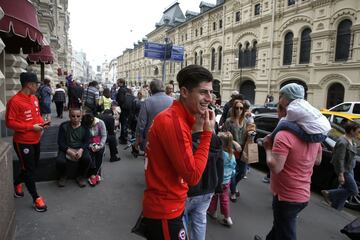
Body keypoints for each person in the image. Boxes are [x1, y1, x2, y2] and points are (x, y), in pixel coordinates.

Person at [141, 65, 216, 240]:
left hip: (169, 206)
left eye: (211, 92)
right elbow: (193, 175)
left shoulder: (177, 118)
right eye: (203, 92)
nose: (209, 98)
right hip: (166, 210)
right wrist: (206, 134)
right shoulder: (173, 122)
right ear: (184, 91)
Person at [254, 84, 323, 240]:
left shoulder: (283, 135)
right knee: (280, 225)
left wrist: (267, 148)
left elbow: (276, 167)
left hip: (286, 196)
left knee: (286, 232)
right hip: (304, 194)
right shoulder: (313, 134)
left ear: (283, 111)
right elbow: (317, 161)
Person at [6, 72, 48, 212]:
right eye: (36, 84)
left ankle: (17, 183)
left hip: (36, 139)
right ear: (29, 85)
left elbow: (37, 116)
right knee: (29, 169)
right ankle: (36, 198)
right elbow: (9, 123)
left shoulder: (34, 98)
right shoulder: (14, 101)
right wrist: (30, 127)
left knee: (31, 166)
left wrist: (42, 123)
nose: (38, 86)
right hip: (22, 142)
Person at [183, 117, 224, 240]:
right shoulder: (216, 140)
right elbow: (220, 164)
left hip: (189, 191)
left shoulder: (187, 140)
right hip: (208, 188)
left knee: (180, 221)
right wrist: (218, 187)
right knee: (200, 222)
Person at [321, 121, 360, 210]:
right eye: (357, 131)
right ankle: (328, 193)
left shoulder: (351, 140)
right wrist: (341, 174)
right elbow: (340, 159)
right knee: (353, 190)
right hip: (345, 170)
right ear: (351, 131)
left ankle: (336, 207)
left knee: (345, 188)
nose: (358, 134)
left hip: (350, 168)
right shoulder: (343, 142)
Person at [134, 79, 173, 153]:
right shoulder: (172, 101)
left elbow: (141, 123)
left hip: (151, 139)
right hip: (169, 138)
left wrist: (138, 140)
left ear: (151, 89)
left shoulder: (147, 102)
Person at [207, 131, 237, 227]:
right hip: (226, 182)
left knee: (214, 196)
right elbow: (233, 169)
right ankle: (227, 217)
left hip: (218, 181)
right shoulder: (232, 155)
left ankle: (213, 212)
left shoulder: (220, 154)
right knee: (224, 199)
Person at [56, 109, 92, 187]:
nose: (75, 118)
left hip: (79, 148)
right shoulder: (64, 126)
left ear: (81, 117)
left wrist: (81, 150)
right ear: (69, 116)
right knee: (60, 161)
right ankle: (63, 176)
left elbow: (87, 141)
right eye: (73, 116)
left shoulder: (85, 127)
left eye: (78, 116)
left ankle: (80, 176)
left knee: (87, 159)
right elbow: (60, 142)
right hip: (67, 148)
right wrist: (68, 150)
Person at [222, 100, 249, 202]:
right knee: (232, 172)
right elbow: (224, 135)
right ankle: (233, 191)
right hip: (231, 150)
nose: (239, 110)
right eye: (237, 108)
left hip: (243, 150)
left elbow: (248, 131)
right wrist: (234, 142)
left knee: (242, 172)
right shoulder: (229, 121)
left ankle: (233, 185)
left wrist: (251, 134)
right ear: (233, 109)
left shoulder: (245, 120)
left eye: (241, 108)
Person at [82, 113, 107, 186]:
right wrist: (90, 145)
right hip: (90, 144)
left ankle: (96, 174)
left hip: (99, 143)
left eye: (92, 124)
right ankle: (93, 174)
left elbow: (104, 135)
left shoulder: (100, 123)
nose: (91, 126)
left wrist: (100, 145)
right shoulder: (84, 124)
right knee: (90, 156)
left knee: (100, 154)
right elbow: (85, 138)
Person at [116, 78, 130, 144]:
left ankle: (123, 139)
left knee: (123, 123)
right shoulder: (128, 89)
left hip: (123, 109)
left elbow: (120, 100)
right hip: (128, 109)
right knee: (125, 123)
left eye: (118, 82)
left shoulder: (121, 90)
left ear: (121, 83)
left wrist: (118, 104)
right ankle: (123, 136)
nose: (117, 83)